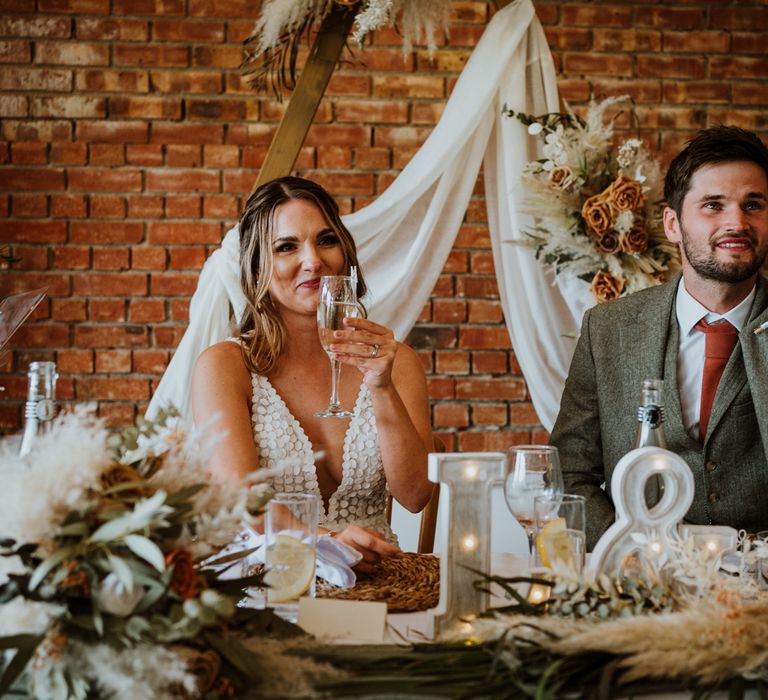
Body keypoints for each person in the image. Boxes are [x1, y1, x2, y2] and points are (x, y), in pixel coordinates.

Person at [191, 176, 434, 570]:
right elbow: (241, 502)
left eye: (326, 240)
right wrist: (329, 544)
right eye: (287, 246)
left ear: (346, 255)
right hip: (269, 576)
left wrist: (382, 387)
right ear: (257, 269)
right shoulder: (224, 366)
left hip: (378, 574)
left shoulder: (396, 360)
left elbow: (415, 495)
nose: (313, 261)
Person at [550, 125, 768, 549]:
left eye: (753, 205)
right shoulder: (607, 330)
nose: (736, 222)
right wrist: (633, 552)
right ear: (672, 223)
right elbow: (569, 477)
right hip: (643, 580)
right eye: (713, 205)